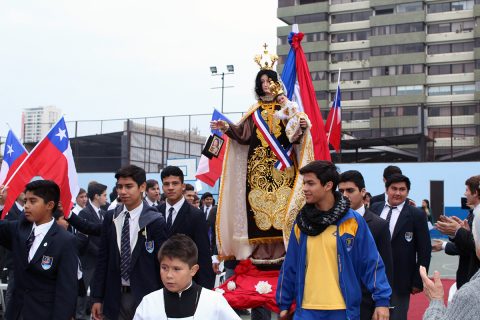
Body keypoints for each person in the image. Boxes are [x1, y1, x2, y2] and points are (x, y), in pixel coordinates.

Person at [210, 47, 315, 268]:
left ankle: (287, 251)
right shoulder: (254, 112)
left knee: (284, 210)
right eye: (263, 81)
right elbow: (243, 135)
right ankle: (260, 256)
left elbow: (294, 134)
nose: (266, 84)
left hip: (284, 169)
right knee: (258, 211)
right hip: (258, 170)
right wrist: (226, 127)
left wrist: (300, 122)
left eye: (270, 80)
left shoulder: (287, 108)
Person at [277, 161, 391, 320]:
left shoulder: (353, 221)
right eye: (304, 183)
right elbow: (290, 265)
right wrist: (284, 303)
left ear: (328, 185)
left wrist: (382, 301)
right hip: (306, 311)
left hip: (343, 311)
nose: (304, 189)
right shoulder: (301, 223)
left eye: (310, 183)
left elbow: (371, 263)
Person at [88, 165, 168, 320]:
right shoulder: (111, 218)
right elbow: (103, 259)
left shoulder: (155, 221)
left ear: (142, 187)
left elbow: (162, 262)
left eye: (129, 186)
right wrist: (97, 297)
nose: (123, 192)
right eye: (119, 187)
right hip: (115, 296)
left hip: (145, 296)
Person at [0, 180, 78, 320]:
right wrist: (1, 203)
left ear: (49, 205)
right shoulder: (19, 229)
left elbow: (66, 289)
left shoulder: (65, 240)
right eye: (25, 201)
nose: (26, 206)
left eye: (33, 201)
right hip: (16, 313)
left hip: (44, 313)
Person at [133, 234, 241, 320]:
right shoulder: (149, 303)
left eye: (176, 269)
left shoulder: (214, 301)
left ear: (193, 270)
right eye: (164, 268)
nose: (169, 275)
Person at [370, 174, 432, 320]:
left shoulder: (417, 215)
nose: (397, 193)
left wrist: (418, 280)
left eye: (402, 189)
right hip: (372, 275)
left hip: (401, 280)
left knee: (396, 316)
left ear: (408, 192)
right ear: (386, 189)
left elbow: (424, 249)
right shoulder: (374, 209)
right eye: (394, 188)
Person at [338, 170, 394, 320]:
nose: (344, 195)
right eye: (341, 191)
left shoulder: (379, 225)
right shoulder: (332, 223)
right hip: (336, 301)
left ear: (363, 192)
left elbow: (386, 267)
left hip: (366, 301)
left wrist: (382, 303)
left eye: (350, 190)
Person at [157, 166, 215, 289]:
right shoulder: (156, 213)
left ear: (183, 186)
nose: (170, 187)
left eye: (175, 183)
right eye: (166, 184)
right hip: (159, 282)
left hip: (187, 283)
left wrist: (205, 289)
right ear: (162, 187)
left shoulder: (196, 215)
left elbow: (203, 254)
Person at [420, 212, 480, 319]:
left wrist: (436, 300)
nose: (465, 194)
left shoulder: (470, 294)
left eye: (473, 236)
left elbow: (468, 247)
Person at [434, 175, 480, 289]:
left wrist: (458, 231)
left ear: (475, 193)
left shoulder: (478, 215)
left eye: (467, 190)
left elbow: (472, 247)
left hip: (473, 275)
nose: (465, 194)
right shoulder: (474, 213)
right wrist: (456, 232)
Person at [76, 182, 108, 320]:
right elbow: (84, 238)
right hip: (88, 261)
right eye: (104, 195)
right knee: (82, 294)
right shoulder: (85, 212)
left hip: (100, 262)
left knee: (97, 294)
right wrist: (100, 252)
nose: (106, 198)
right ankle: (79, 316)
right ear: (96, 196)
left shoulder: (104, 213)